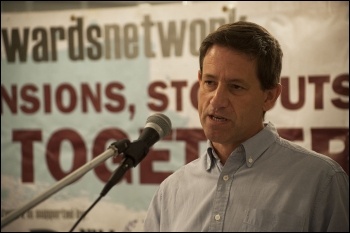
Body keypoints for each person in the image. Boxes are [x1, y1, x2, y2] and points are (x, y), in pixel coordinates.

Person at [143, 21, 349, 232]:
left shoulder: (322, 182)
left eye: (235, 87)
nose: (216, 100)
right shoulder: (171, 191)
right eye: (210, 82)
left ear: (269, 97)